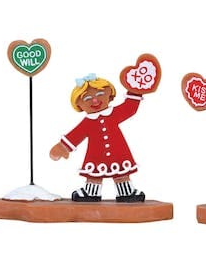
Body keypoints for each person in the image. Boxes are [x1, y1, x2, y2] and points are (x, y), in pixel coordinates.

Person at [49, 73, 145, 202]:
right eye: (87, 98)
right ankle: (91, 193)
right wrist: (62, 147)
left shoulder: (114, 114)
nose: (94, 100)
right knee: (94, 174)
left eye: (100, 94)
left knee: (121, 172)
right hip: (96, 155)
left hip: (118, 152)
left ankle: (126, 192)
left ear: (109, 95)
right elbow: (76, 134)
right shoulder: (88, 122)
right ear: (79, 104)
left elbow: (129, 108)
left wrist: (135, 90)